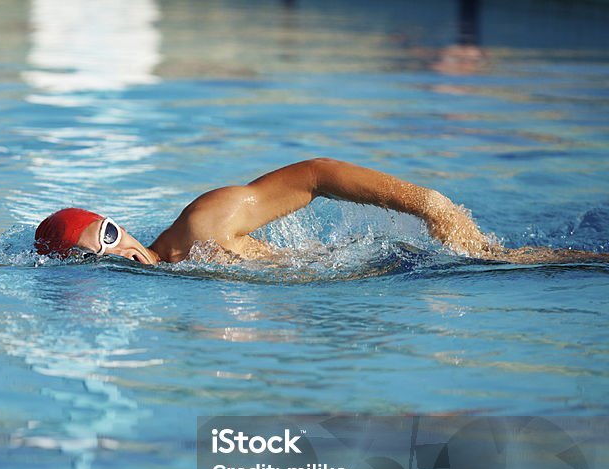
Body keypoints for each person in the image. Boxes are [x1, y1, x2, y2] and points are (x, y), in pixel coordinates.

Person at [33, 158, 607, 266]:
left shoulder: (201, 225)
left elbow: (314, 175)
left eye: (109, 231)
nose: (121, 250)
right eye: (99, 256)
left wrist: (429, 205)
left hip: (413, 263)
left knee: (524, 264)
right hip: (386, 290)